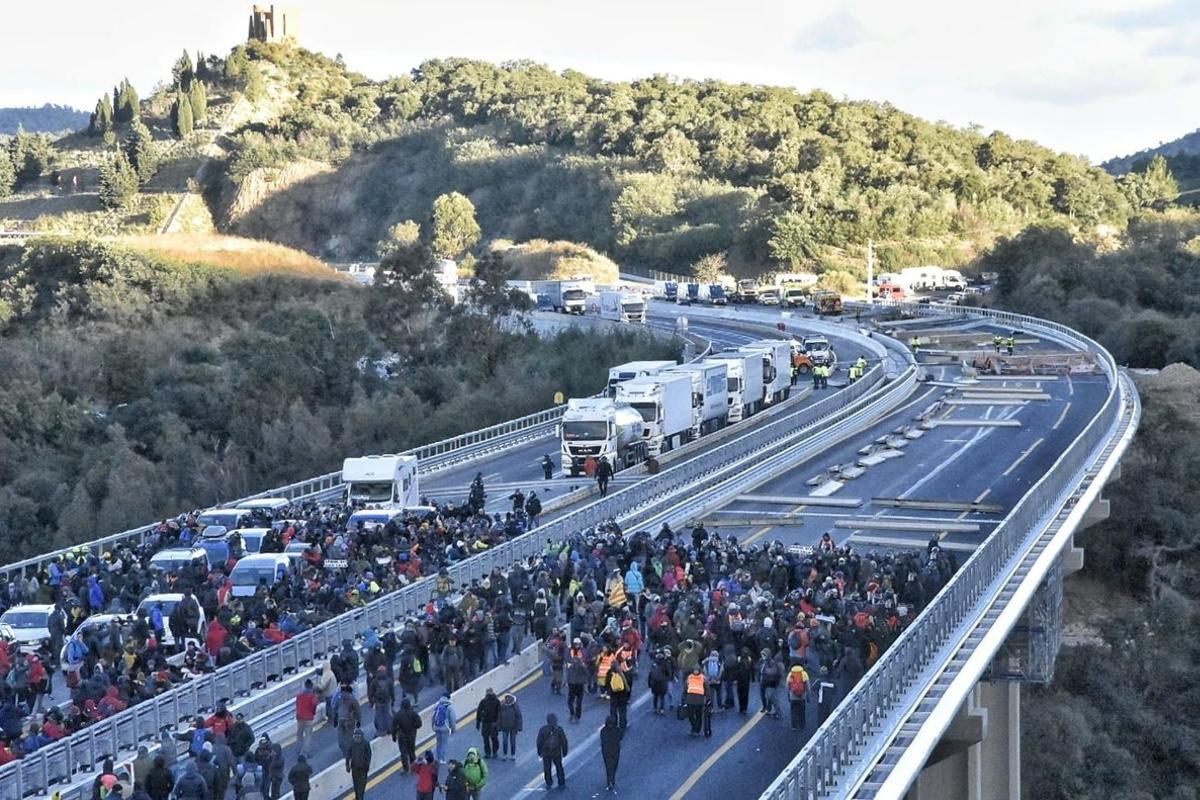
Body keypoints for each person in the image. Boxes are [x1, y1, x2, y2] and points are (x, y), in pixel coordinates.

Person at [536, 713, 568, 791]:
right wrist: (564, 751)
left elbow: (539, 741)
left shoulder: (543, 729)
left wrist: (539, 751)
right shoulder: (559, 729)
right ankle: (561, 781)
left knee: (547, 767)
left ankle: (549, 781)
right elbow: (564, 741)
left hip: (546, 752)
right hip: (556, 752)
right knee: (559, 767)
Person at [391, 697, 423, 771]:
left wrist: (394, 737)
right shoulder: (413, 713)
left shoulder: (398, 715)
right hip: (412, 735)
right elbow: (419, 724)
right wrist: (414, 727)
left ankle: (406, 768)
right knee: (412, 751)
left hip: (402, 736)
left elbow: (393, 726)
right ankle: (414, 766)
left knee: (403, 753)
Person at [294, 679, 319, 759]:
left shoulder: (299, 695)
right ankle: (305, 753)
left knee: (299, 735)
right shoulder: (312, 696)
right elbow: (314, 705)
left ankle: (298, 751)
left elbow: (297, 705)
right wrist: (313, 713)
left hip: (300, 717)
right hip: (308, 718)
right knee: (308, 736)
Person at [346, 729, 372, 800]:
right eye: (355, 737)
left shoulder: (366, 743)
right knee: (356, 784)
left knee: (362, 784)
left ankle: (360, 797)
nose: (357, 739)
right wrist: (347, 765)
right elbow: (348, 754)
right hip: (354, 767)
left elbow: (369, 755)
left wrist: (367, 764)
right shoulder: (352, 743)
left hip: (363, 767)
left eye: (358, 737)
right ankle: (358, 797)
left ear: (362, 737)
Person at [475, 687, 501, 759]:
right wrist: (498, 723)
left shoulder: (483, 702)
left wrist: (478, 723)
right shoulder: (496, 701)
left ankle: (488, 753)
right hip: (493, 723)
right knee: (494, 738)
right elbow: (499, 713)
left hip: (486, 723)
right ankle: (494, 752)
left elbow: (479, 713)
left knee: (486, 739)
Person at [599, 714, 623, 792]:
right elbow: (620, 737)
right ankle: (611, 781)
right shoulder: (616, 730)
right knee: (610, 766)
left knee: (611, 766)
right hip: (612, 751)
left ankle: (610, 780)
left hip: (609, 751)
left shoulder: (603, 731)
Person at [605, 661, 631, 730]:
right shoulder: (622, 673)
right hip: (622, 695)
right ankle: (623, 724)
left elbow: (607, 683)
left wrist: (609, 691)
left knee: (613, 710)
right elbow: (628, 682)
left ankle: (614, 723)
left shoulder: (609, 673)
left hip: (613, 695)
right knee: (622, 710)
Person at [432, 693, 457, 764]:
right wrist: (453, 729)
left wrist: (433, 726)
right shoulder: (449, 707)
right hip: (445, 728)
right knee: (444, 744)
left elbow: (433, 717)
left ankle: (437, 758)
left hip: (437, 727)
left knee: (438, 743)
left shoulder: (438, 705)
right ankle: (442, 759)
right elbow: (452, 719)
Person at [497, 692, 523, 761]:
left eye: (508, 697)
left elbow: (519, 717)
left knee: (512, 741)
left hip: (513, 727)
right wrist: (499, 726)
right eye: (506, 698)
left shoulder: (515, 706)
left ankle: (513, 755)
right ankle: (505, 754)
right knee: (505, 741)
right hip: (505, 727)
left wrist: (519, 727)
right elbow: (499, 717)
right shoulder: (502, 706)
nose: (507, 699)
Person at [759, 650, 782, 719]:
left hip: (769, 682)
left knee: (771, 697)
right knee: (762, 694)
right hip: (763, 680)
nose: (763, 656)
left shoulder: (771, 662)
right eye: (762, 655)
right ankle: (765, 707)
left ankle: (770, 709)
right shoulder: (761, 661)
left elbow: (773, 672)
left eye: (764, 655)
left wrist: (766, 673)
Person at [684, 665, 707, 736]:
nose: (695, 671)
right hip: (691, 699)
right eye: (694, 670)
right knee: (690, 715)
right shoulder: (689, 677)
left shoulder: (703, 678)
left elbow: (707, 689)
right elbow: (685, 689)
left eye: (697, 670)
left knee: (698, 715)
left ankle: (697, 730)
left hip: (698, 699)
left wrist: (708, 699)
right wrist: (683, 698)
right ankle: (695, 727)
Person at [787, 664, 810, 731]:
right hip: (802, 697)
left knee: (793, 711)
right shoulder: (804, 674)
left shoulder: (791, 674)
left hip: (793, 697)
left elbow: (787, 687)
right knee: (802, 711)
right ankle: (802, 726)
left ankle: (794, 726)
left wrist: (788, 696)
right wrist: (808, 697)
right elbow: (808, 687)